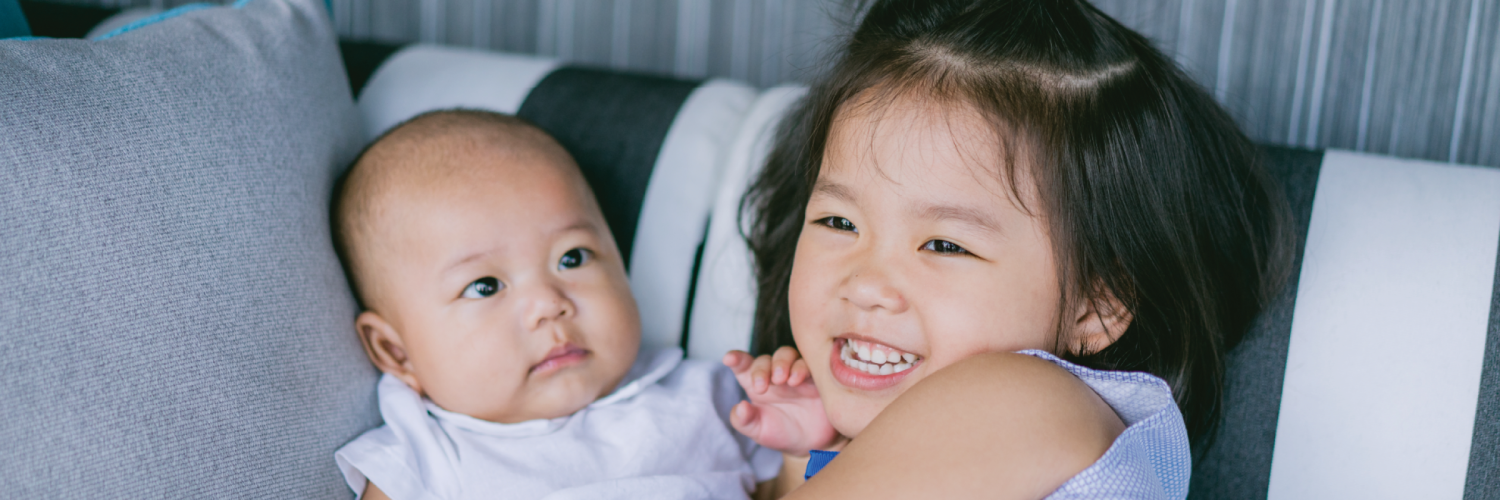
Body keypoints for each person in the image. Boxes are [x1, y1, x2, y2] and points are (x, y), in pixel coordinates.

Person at [722, 0, 1293, 498]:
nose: (865, 282)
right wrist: (813, 455)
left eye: (945, 244)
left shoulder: (1029, 399)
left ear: (1097, 308)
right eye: (839, 221)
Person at [329, 110, 779, 500]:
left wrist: (807, 444)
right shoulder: (424, 460)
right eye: (485, 286)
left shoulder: (713, 398)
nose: (549, 304)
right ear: (396, 351)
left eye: (572, 258)